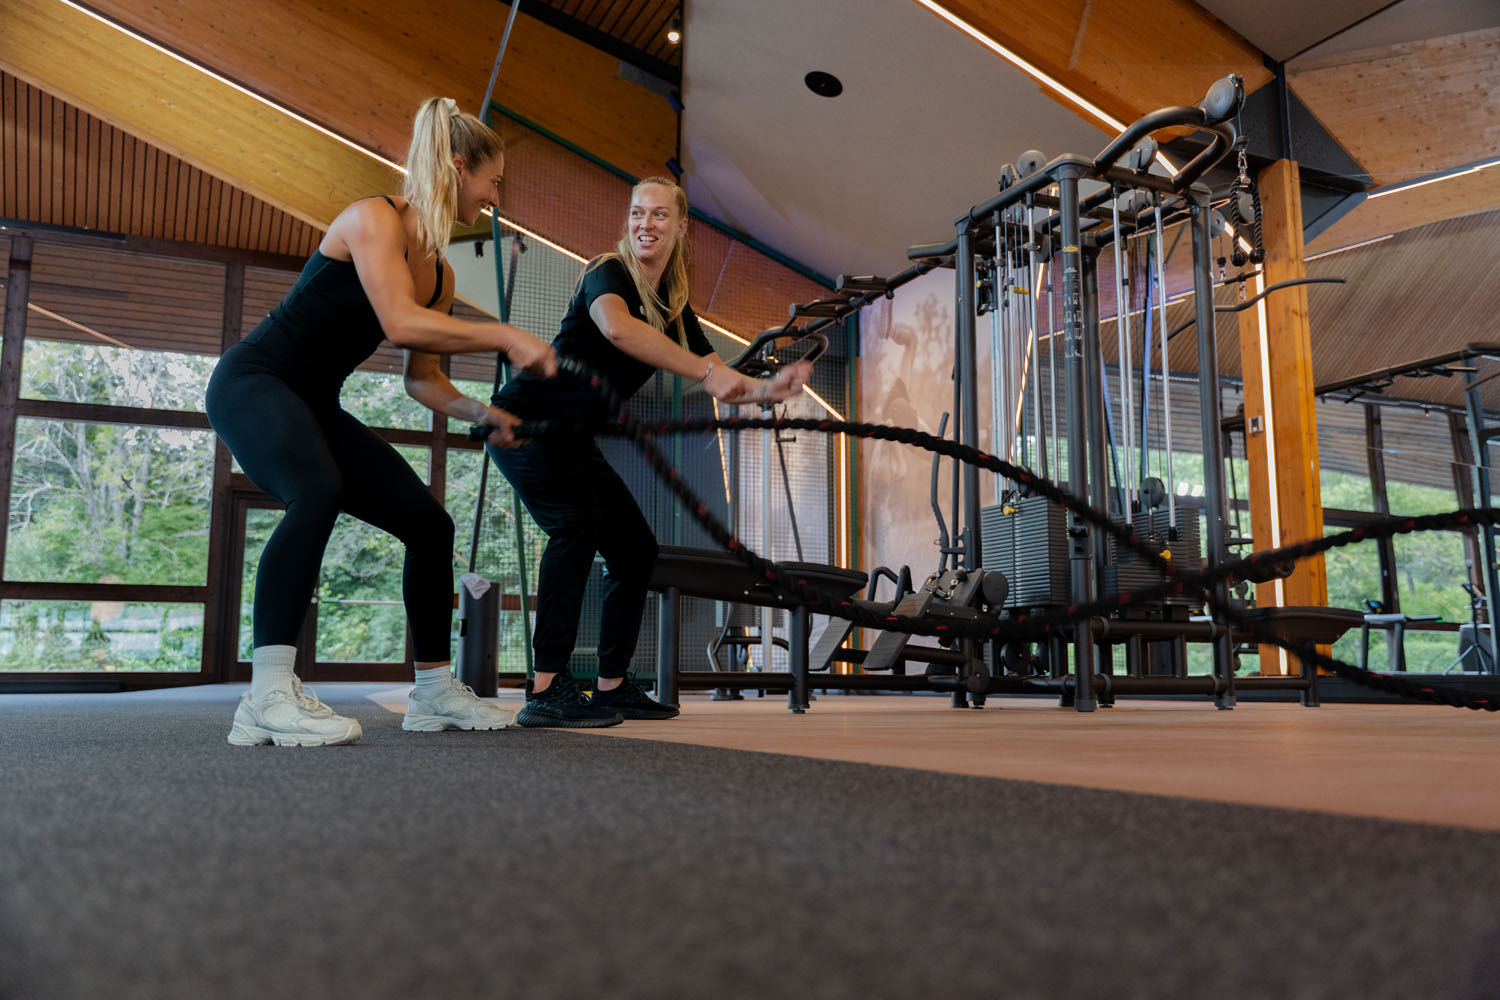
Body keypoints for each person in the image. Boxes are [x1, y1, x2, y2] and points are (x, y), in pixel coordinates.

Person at [205, 97, 556, 746]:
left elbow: (421, 379)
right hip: (254, 383)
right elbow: (397, 321)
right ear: (457, 167)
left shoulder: (441, 275)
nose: (494, 195)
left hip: (314, 402)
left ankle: (432, 691)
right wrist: (505, 336)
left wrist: (486, 413)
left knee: (429, 523)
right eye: (492, 180)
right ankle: (267, 694)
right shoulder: (374, 220)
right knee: (317, 491)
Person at [472, 176, 811, 728]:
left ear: (681, 228)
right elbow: (617, 329)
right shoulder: (607, 270)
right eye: (636, 213)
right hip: (525, 424)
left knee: (634, 549)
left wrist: (774, 389)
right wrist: (706, 369)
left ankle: (610, 687)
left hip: (575, 440)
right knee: (575, 524)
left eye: (657, 215)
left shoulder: (674, 307)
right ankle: (546, 689)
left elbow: (721, 377)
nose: (644, 224)